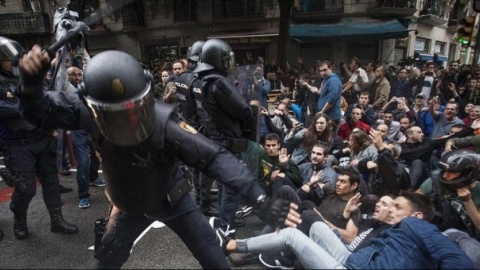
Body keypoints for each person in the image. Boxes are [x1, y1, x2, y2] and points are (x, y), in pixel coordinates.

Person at [16, 44, 289, 268]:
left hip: (174, 199)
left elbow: (216, 158)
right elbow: (39, 112)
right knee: (106, 264)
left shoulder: (165, 126)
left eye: (135, 109)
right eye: (118, 116)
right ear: (92, 107)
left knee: (216, 261)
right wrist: (30, 85)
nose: (130, 121)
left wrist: (259, 197)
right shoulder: (84, 110)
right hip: (129, 205)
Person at [217, 191, 474, 269]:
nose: (391, 209)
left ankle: (231, 245)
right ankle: (282, 259)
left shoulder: (419, 227)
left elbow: (461, 263)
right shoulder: (396, 229)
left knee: (293, 236)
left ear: (417, 215)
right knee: (313, 223)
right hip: (352, 260)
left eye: (396, 206)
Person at [0, 36, 78, 239]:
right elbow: (6, 110)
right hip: (17, 143)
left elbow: (49, 100)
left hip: (42, 137)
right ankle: (20, 220)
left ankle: (57, 220)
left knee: (51, 183)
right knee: (25, 189)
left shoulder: (31, 76)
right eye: (6, 58)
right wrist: (30, 104)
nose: (13, 61)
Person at [66, 65, 106, 209]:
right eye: (73, 75)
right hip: (79, 130)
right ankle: (83, 195)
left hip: (94, 128)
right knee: (83, 162)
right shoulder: (66, 88)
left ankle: (94, 178)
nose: (77, 77)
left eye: (79, 74)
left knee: (97, 157)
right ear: (67, 76)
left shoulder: (90, 86)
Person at [317, 60, 342, 126]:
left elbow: (332, 99)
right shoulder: (326, 79)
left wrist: (322, 111)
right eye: (321, 71)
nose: (322, 73)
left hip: (331, 116)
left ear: (330, 68)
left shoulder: (333, 80)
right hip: (326, 115)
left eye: (325, 70)